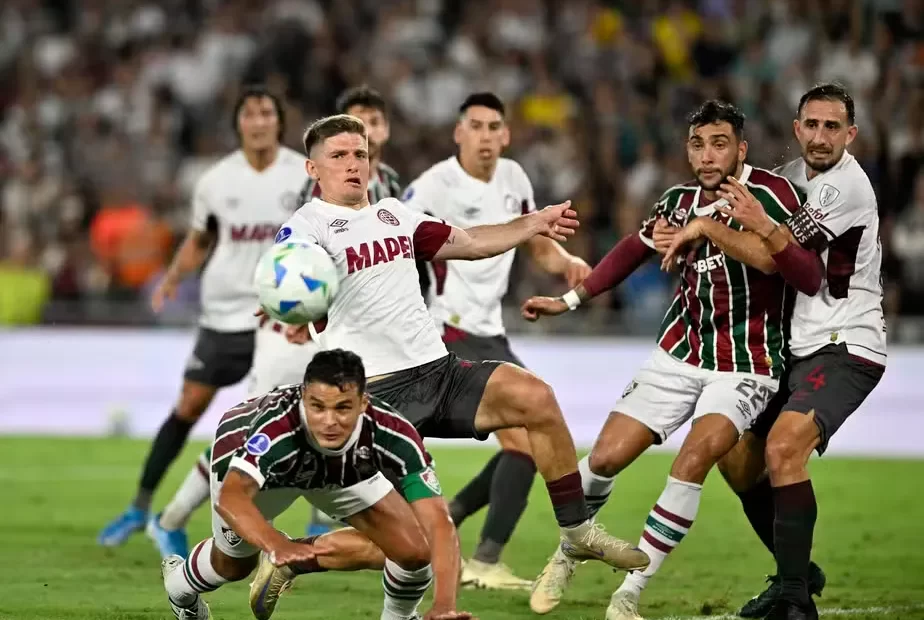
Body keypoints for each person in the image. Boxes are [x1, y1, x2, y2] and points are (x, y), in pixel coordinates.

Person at [279, 113, 649, 575]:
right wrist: (288, 302)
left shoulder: (393, 214)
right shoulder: (307, 226)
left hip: (439, 371)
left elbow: (472, 241)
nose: (354, 163)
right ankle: (291, 556)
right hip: (377, 394)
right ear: (313, 169)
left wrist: (531, 222)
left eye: (360, 154)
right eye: (339, 156)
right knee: (409, 546)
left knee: (536, 396)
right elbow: (290, 277)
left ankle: (576, 532)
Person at [521, 100, 810, 620]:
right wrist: (567, 301)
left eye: (719, 143)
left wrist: (706, 229)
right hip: (678, 353)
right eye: (697, 145)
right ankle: (567, 552)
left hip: (746, 364)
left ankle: (629, 592)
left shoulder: (773, 194)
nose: (707, 155)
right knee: (604, 458)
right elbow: (632, 250)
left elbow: (775, 258)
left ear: (741, 148)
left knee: (692, 462)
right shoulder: (677, 201)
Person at [694, 83, 885, 620]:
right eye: (812, 125)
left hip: (846, 342)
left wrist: (721, 225)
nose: (821, 137)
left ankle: (794, 596)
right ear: (796, 128)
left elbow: (774, 258)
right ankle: (794, 567)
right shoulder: (793, 179)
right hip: (796, 346)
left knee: (782, 450)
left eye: (833, 128)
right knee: (734, 460)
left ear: (850, 135)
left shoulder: (844, 188)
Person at [98, 86, 310, 552]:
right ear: (238, 124)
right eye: (249, 114)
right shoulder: (216, 180)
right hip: (223, 313)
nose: (258, 122)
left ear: (279, 121)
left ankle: (314, 519)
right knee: (189, 407)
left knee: (301, 408)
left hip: (279, 314)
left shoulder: (304, 174)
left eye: (266, 113)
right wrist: (172, 277)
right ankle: (140, 506)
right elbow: (200, 239)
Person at [402, 92, 591, 590]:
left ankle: (449, 517)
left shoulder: (514, 178)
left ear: (506, 135)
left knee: (529, 439)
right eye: (476, 126)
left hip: (491, 331)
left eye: (494, 128)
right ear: (458, 132)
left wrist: (566, 265)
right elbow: (391, 244)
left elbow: (536, 242)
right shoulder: (430, 187)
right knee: (525, 437)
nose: (486, 136)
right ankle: (485, 559)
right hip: (448, 330)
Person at [161, 348, 472, 620]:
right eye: (317, 407)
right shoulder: (277, 428)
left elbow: (438, 522)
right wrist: (276, 543)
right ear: (303, 399)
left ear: (364, 403)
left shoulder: (392, 432)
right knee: (232, 567)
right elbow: (231, 498)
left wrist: (444, 604)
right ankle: (179, 588)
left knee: (417, 549)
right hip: (254, 466)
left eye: (342, 408)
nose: (329, 421)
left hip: (336, 469)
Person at [300, 84, 403, 536]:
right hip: (333, 324)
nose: (368, 134)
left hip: (390, 329)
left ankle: (350, 515)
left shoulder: (395, 188)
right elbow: (302, 258)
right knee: (331, 416)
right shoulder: (315, 197)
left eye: (374, 122)